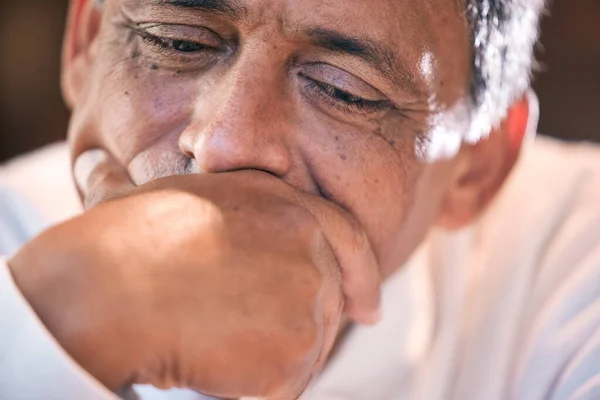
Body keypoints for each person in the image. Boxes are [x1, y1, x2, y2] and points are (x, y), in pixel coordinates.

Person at [1, 0, 599, 399]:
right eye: (177, 42)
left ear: (475, 166)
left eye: (345, 91)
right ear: (83, 45)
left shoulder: (575, 262)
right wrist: (65, 310)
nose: (224, 143)